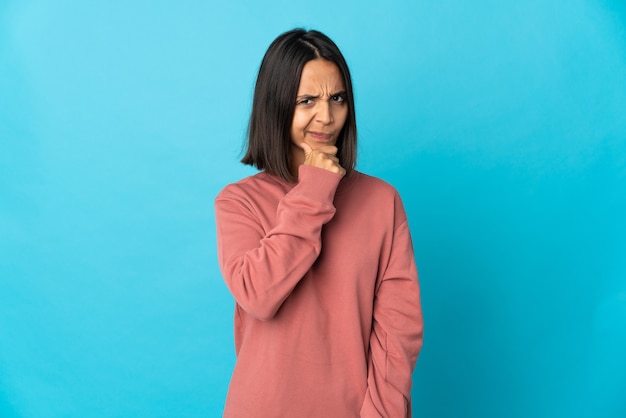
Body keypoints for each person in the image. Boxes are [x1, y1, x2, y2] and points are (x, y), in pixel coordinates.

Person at [215, 28, 423, 417]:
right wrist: (314, 192)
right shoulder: (238, 202)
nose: (326, 117)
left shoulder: (382, 202)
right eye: (306, 100)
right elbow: (258, 294)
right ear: (276, 105)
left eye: (337, 99)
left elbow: (399, 332)